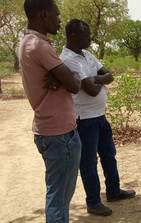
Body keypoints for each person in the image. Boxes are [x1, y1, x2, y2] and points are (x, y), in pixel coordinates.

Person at [59, 19, 136, 216]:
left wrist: (94, 78)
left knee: (109, 155)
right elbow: (92, 90)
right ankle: (93, 201)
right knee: (88, 162)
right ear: (74, 36)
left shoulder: (86, 54)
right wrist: (97, 80)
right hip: (84, 119)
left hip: (100, 116)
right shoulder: (69, 59)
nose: (91, 38)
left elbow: (108, 75)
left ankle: (113, 190)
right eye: (87, 35)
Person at [18, 0, 82, 222]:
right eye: (56, 15)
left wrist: (63, 75)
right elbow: (75, 84)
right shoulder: (40, 46)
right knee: (59, 199)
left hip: (49, 131)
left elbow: (69, 79)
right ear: (44, 15)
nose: (59, 20)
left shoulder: (26, 42)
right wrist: (69, 76)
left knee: (58, 195)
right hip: (59, 134)